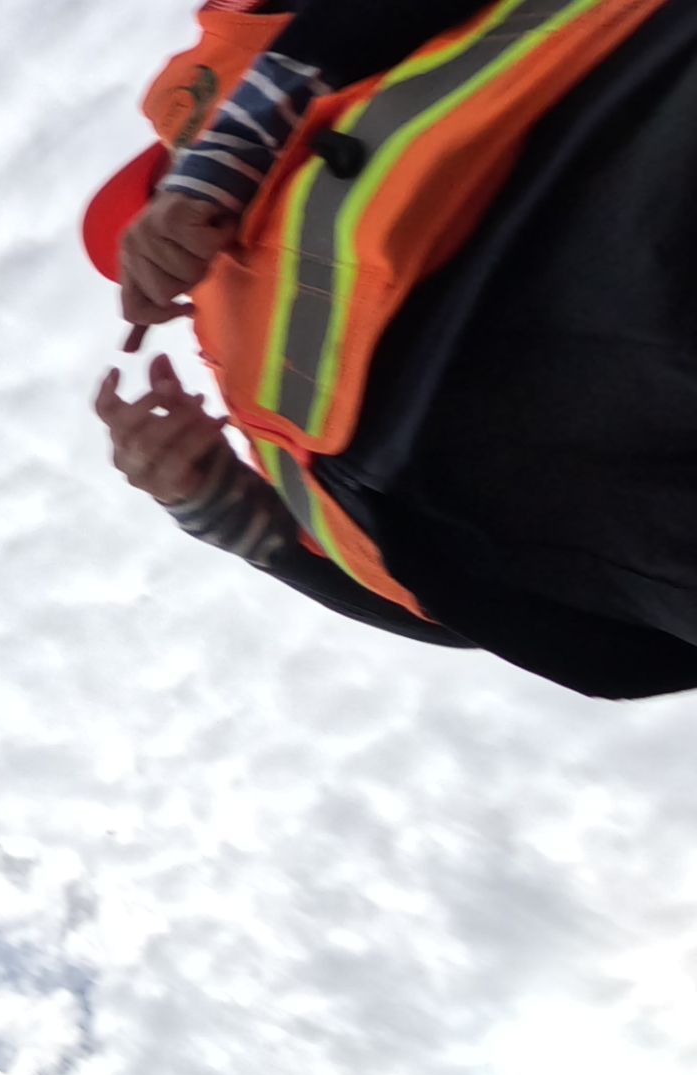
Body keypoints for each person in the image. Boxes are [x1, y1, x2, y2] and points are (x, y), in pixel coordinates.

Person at [87, 0, 697, 698]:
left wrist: (223, 154)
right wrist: (226, 513)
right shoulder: (251, 391)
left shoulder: (255, 51)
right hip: (562, 535)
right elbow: (437, 610)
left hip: (584, 175)